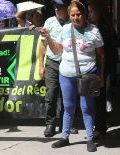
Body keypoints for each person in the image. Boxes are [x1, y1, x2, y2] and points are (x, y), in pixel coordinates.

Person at [39, 0, 105, 152]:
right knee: (68, 107)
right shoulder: (65, 29)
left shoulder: (94, 31)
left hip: (87, 75)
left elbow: (101, 56)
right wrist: (48, 37)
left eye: (79, 14)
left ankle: (90, 138)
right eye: (73, 15)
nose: (76, 17)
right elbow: (57, 51)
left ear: (85, 14)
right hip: (66, 74)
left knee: (86, 107)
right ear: (69, 15)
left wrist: (101, 75)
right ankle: (64, 137)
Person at [39, 0, 71, 137]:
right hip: (52, 62)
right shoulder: (49, 22)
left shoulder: (73, 22)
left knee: (67, 96)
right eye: (55, 6)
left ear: (67, 8)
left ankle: (66, 125)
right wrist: (41, 64)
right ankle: (50, 124)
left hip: (68, 63)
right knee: (51, 94)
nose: (57, 9)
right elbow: (42, 44)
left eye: (60, 6)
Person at [87, 0, 118, 140]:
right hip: (104, 66)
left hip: (101, 66)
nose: (89, 14)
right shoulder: (105, 25)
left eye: (91, 11)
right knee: (100, 95)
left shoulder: (100, 27)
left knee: (99, 96)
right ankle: (100, 124)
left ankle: (99, 126)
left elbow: (102, 53)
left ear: (98, 11)